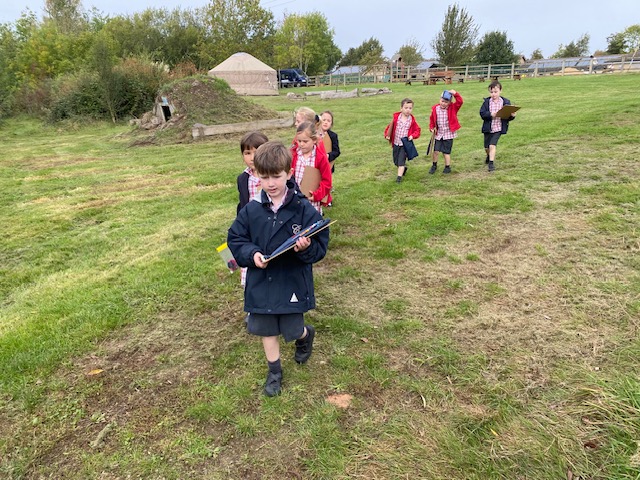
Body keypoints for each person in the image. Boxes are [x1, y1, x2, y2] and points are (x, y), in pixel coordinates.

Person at [227, 141, 330, 397]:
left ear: (289, 173)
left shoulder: (303, 209)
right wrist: (253, 254)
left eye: (277, 176)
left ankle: (305, 336)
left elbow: (320, 247)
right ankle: (274, 371)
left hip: (291, 280)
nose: (271, 183)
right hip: (261, 281)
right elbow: (235, 240)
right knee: (266, 328)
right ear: (257, 176)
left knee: (292, 329)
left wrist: (305, 248)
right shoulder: (251, 209)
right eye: (265, 177)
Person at [236, 131, 269, 288]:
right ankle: (250, 286)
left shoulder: (271, 176)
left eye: (257, 152)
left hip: (269, 223)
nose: (252, 157)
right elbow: (242, 203)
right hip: (251, 225)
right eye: (247, 153)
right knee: (250, 253)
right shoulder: (243, 178)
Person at [291, 121, 332, 213]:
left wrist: (317, 195)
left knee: (312, 222)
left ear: (314, 140)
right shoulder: (294, 155)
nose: (301, 144)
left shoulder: (320, 157)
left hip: (312, 200)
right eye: (299, 141)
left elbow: (327, 181)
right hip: (295, 198)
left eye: (305, 141)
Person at [480, 80, 517, 172]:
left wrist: (512, 115)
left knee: (492, 145)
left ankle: (491, 164)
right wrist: (490, 114)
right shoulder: (487, 102)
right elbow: (482, 113)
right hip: (488, 128)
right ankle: (488, 156)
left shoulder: (505, 102)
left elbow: (507, 117)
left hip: (498, 127)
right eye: (491, 92)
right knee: (487, 147)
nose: (493, 94)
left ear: (500, 91)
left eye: (495, 92)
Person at [384, 98, 421, 183]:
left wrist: (412, 136)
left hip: (404, 144)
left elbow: (417, 130)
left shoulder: (411, 120)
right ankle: (403, 168)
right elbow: (388, 128)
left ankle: (399, 178)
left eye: (410, 108)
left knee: (401, 161)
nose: (408, 110)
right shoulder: (396, 118)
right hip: (396, 143)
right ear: (401, 108)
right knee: (396, 161)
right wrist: (387, 135)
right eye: (406, 108)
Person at [428, 89, 463, 174]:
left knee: (446, 152)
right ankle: (434, 165)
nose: (443, 103)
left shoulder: (453, 108)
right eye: (442, 101)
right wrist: (431, 127)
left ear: (450, 103)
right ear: (440, 99)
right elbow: (432, 120)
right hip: (439, 134)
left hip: (448, 134)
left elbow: (460, 102)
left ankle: (447, 167)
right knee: (436, 151)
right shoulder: (435, 109)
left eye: (446, 102)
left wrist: (455, 94)